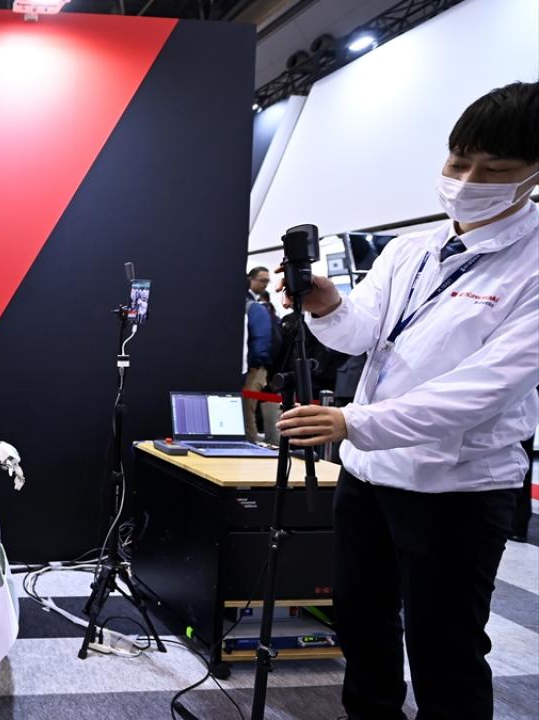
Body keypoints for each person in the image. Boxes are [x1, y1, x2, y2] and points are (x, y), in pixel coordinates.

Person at [277, 82, 539, 720]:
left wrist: (352, 421)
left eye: (494, 170)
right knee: (361, 621)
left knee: (444, 645)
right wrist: (329, 306)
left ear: (532, 175)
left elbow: (482, 390)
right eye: (459, 161)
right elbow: (364, 332)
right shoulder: (411, 248)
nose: (468, 181)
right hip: (370, 476)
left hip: (458, 487)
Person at [243, 267, 273, 441]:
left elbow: (261, 340)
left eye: (267, 281)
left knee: (247, 412)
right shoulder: (253, 306)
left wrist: (255, 364)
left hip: (253, 368)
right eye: (262, 280)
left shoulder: (255, 308)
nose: (265, 285)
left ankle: (250, 444)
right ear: (251, 279)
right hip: (251, 366)